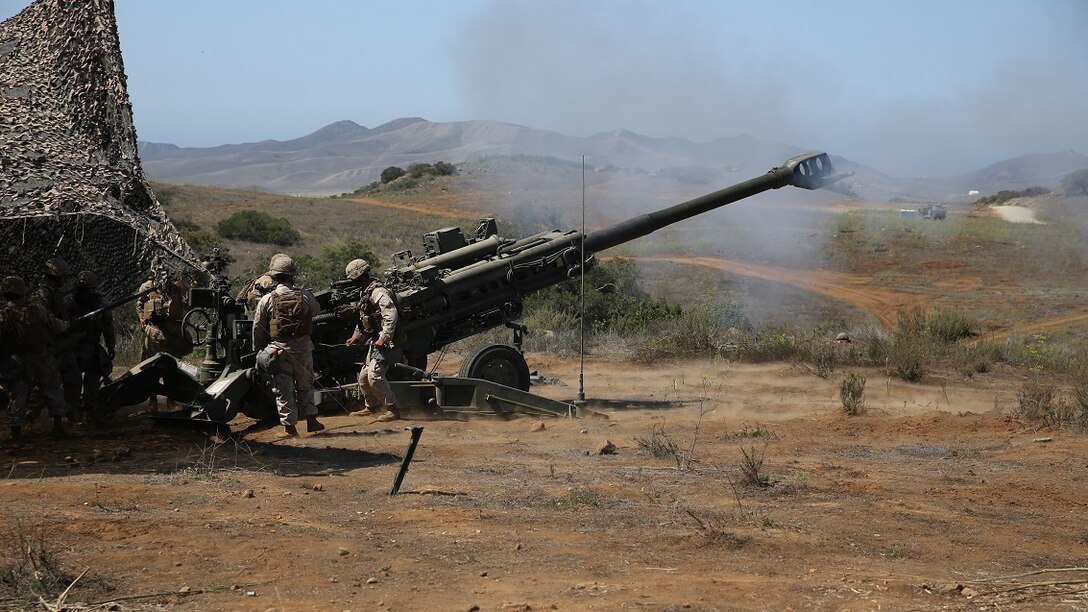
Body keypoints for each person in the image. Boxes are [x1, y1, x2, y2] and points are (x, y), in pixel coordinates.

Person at [252, 254, 324, 436]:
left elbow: (258, 327)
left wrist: (258, 348)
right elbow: (316, 311)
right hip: (304, 349)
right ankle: (312, 421)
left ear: (274, 277)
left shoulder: (267, 299)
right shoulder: (305, 295)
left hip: (280, 350)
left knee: (284, 389)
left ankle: (289, 428)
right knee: (306, 385)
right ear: (293, 275)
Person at [1, 276, 71, 439]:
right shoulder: (36, 309)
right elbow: (56, 326)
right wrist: (68, 325)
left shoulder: (3, 315)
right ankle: (58, 426)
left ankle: (15, 431)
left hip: (17, 359)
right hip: (41, 356)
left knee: (18, 393)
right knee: (52, 388)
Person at [344, 258, 406, 422]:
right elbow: (364, 318)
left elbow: (391, 315)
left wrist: (384, 337)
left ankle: (392, 409)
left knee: (375, 375)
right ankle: (370, 407)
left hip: (388, 343)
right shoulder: (366, 293)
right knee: (363, 377)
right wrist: (355, 337)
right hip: (376, 342)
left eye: (354, 278)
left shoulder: (378, 293)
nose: (353, 282)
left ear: (361, 276)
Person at [33, 258, 82, 421]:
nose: (65, 280)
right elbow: (43, 318)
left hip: (61, 345)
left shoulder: (56, 293)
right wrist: (65, 325)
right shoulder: (41, 294)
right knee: (48, 385)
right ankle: (34, 419)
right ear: (55, 276)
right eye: (63, 277)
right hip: (48, 346)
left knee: (74, 379)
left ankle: (70, 412)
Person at [135, 273, 192, 410]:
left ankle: (171, 401)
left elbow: (188, 305)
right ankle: (152, 401)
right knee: (152, 367)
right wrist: (142, 318)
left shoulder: (180, 286)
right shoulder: (148, 286)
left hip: (174, 331)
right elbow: (139, 303)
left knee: (173, 368)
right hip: (155, 330)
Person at [66, 271, 116, 423]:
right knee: (72, 381)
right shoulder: (68, 302)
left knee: (93, 380)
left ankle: (90, 407)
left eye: (90, 289)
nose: (87, 293)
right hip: (72, 347)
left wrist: (110, 345)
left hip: (92, 347)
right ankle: (71, 410)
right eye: (84, 289)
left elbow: (108, 326)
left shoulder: (100, 304)